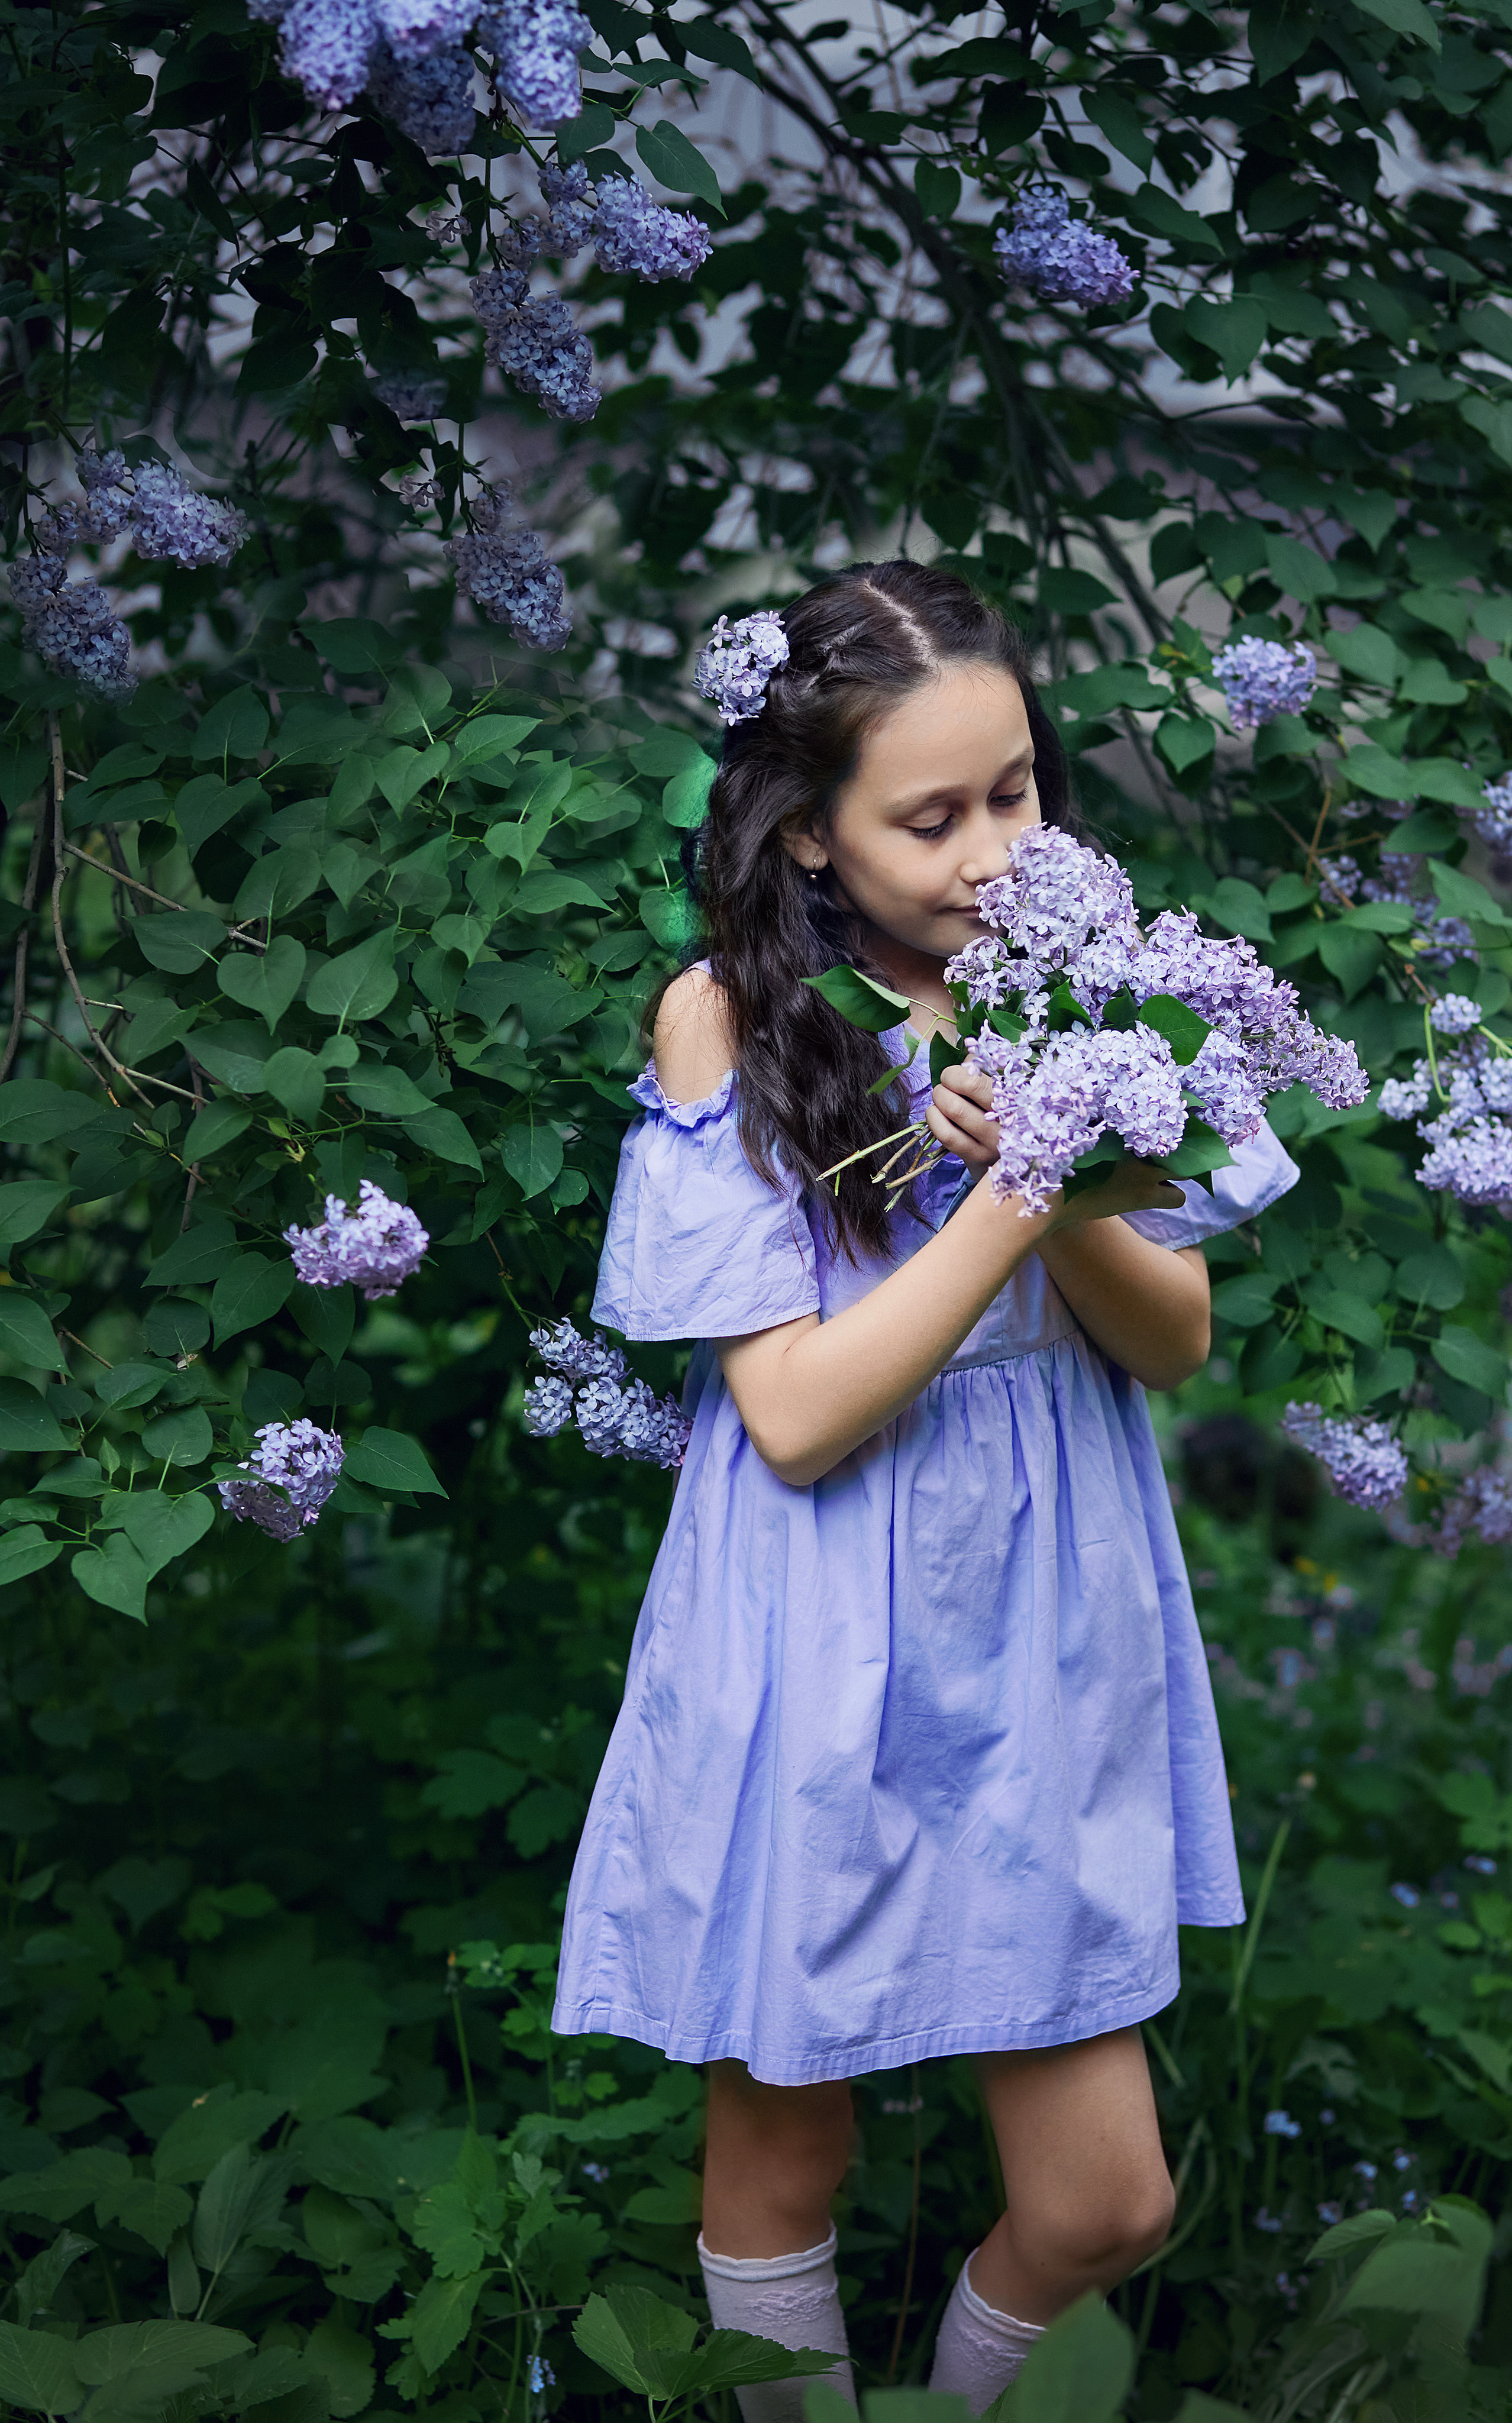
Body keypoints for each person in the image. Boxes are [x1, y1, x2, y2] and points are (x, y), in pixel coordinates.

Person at [551, 560, 1298, 2415]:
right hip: (814, 1608)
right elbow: (796, 1417)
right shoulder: (724, 1022)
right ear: (808, 836)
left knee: (1105, 2198)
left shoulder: (1090, 989)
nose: (990, 851)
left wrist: (1061, 1130)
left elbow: (1171, 1343)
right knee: (784, 2159)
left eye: (1018, 791)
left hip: (1044, 1608)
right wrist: (1008, 1192)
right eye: (931, 816)